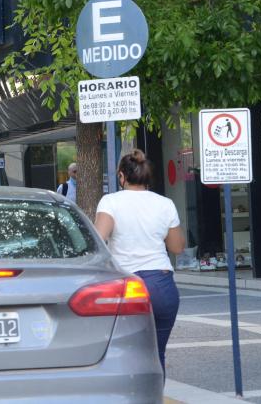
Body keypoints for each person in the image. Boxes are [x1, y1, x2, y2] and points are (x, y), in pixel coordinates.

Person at [93, 149, 185, 377]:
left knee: (123, 353)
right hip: (162, 283)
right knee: (156, 354)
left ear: (122, 176)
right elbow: (177, 247)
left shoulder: (111, 202)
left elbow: (98, 238)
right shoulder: (165, 204)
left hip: (127, 284)